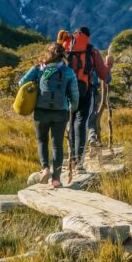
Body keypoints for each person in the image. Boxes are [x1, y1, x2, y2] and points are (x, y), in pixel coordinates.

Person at [19, 42, 79, 188]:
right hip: (61, 112)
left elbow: (21, 83)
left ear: (47, 53)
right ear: (62, 55)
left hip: (41, 111)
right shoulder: (68, 71)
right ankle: (56, 179)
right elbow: (74, 93)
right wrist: (73, 108)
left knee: (42, 141)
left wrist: (35, 84)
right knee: (57, 145)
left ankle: (45, 168)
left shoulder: (38, 68)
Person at [67, 26, 113, 171]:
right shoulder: (92, 51)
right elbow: (104, 75)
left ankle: (71, 159)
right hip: (85, 92)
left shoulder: (66, 48)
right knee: (81, 124)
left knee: (71, 123)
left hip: (66, 94)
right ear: (88, 37)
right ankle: (79, 163)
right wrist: (109, 64)